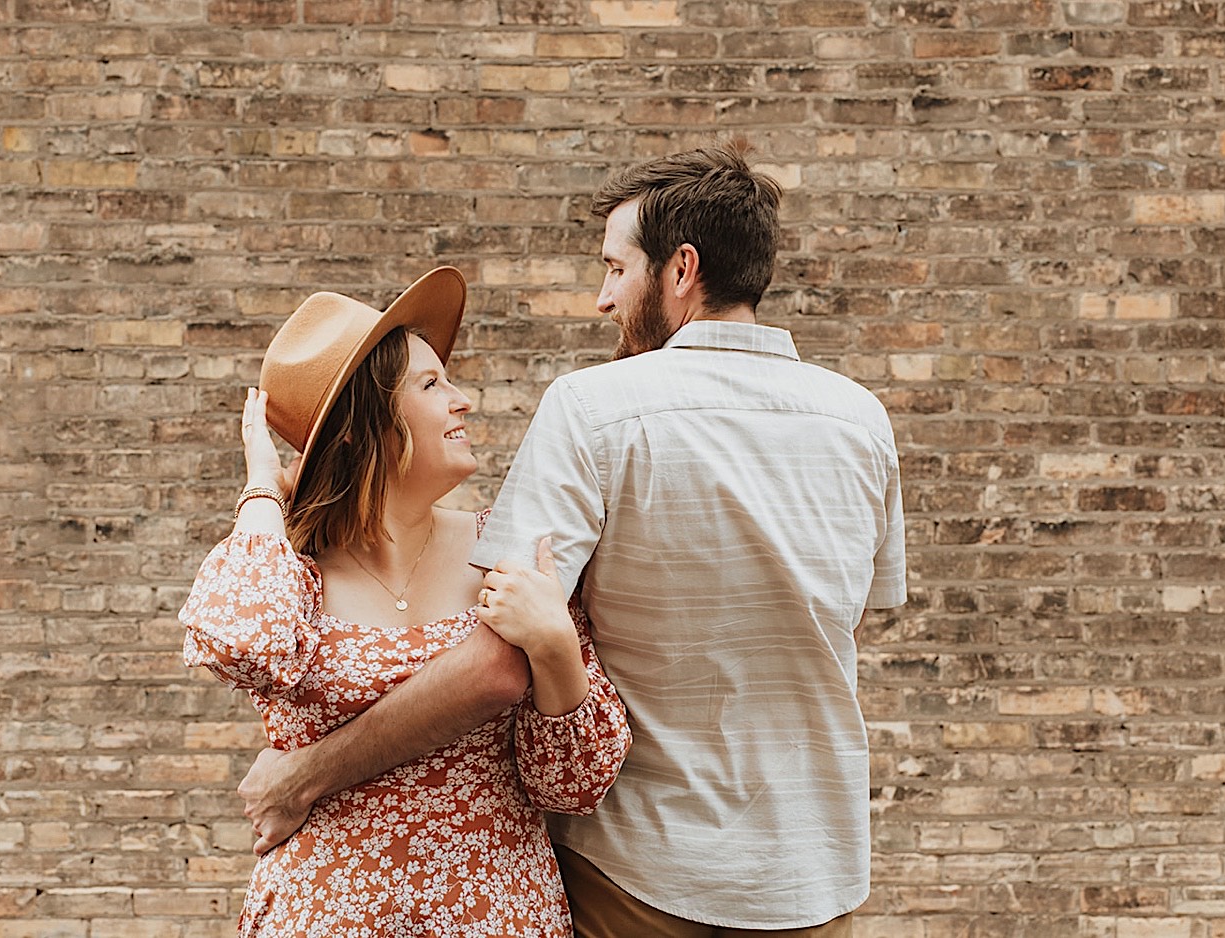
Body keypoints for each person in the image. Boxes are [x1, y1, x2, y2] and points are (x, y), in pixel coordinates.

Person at [239, 143, 906, 937]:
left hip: (641, 876)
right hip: (813, 876)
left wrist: (306, 775)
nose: (601, 299)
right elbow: (858, 612)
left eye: (616, 270)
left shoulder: (595, 408)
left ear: (680, 269)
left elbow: (497, 660)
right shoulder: (861, 420)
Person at [177, 266, 630, 936]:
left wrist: (558, 647)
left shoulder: (502, 551)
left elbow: (571, 784)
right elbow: (244, 642)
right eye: (430, 384)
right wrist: (263, 492)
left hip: (493, 915)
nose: (463, 399)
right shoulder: (290, 571)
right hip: (325, 917)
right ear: (364, 428)